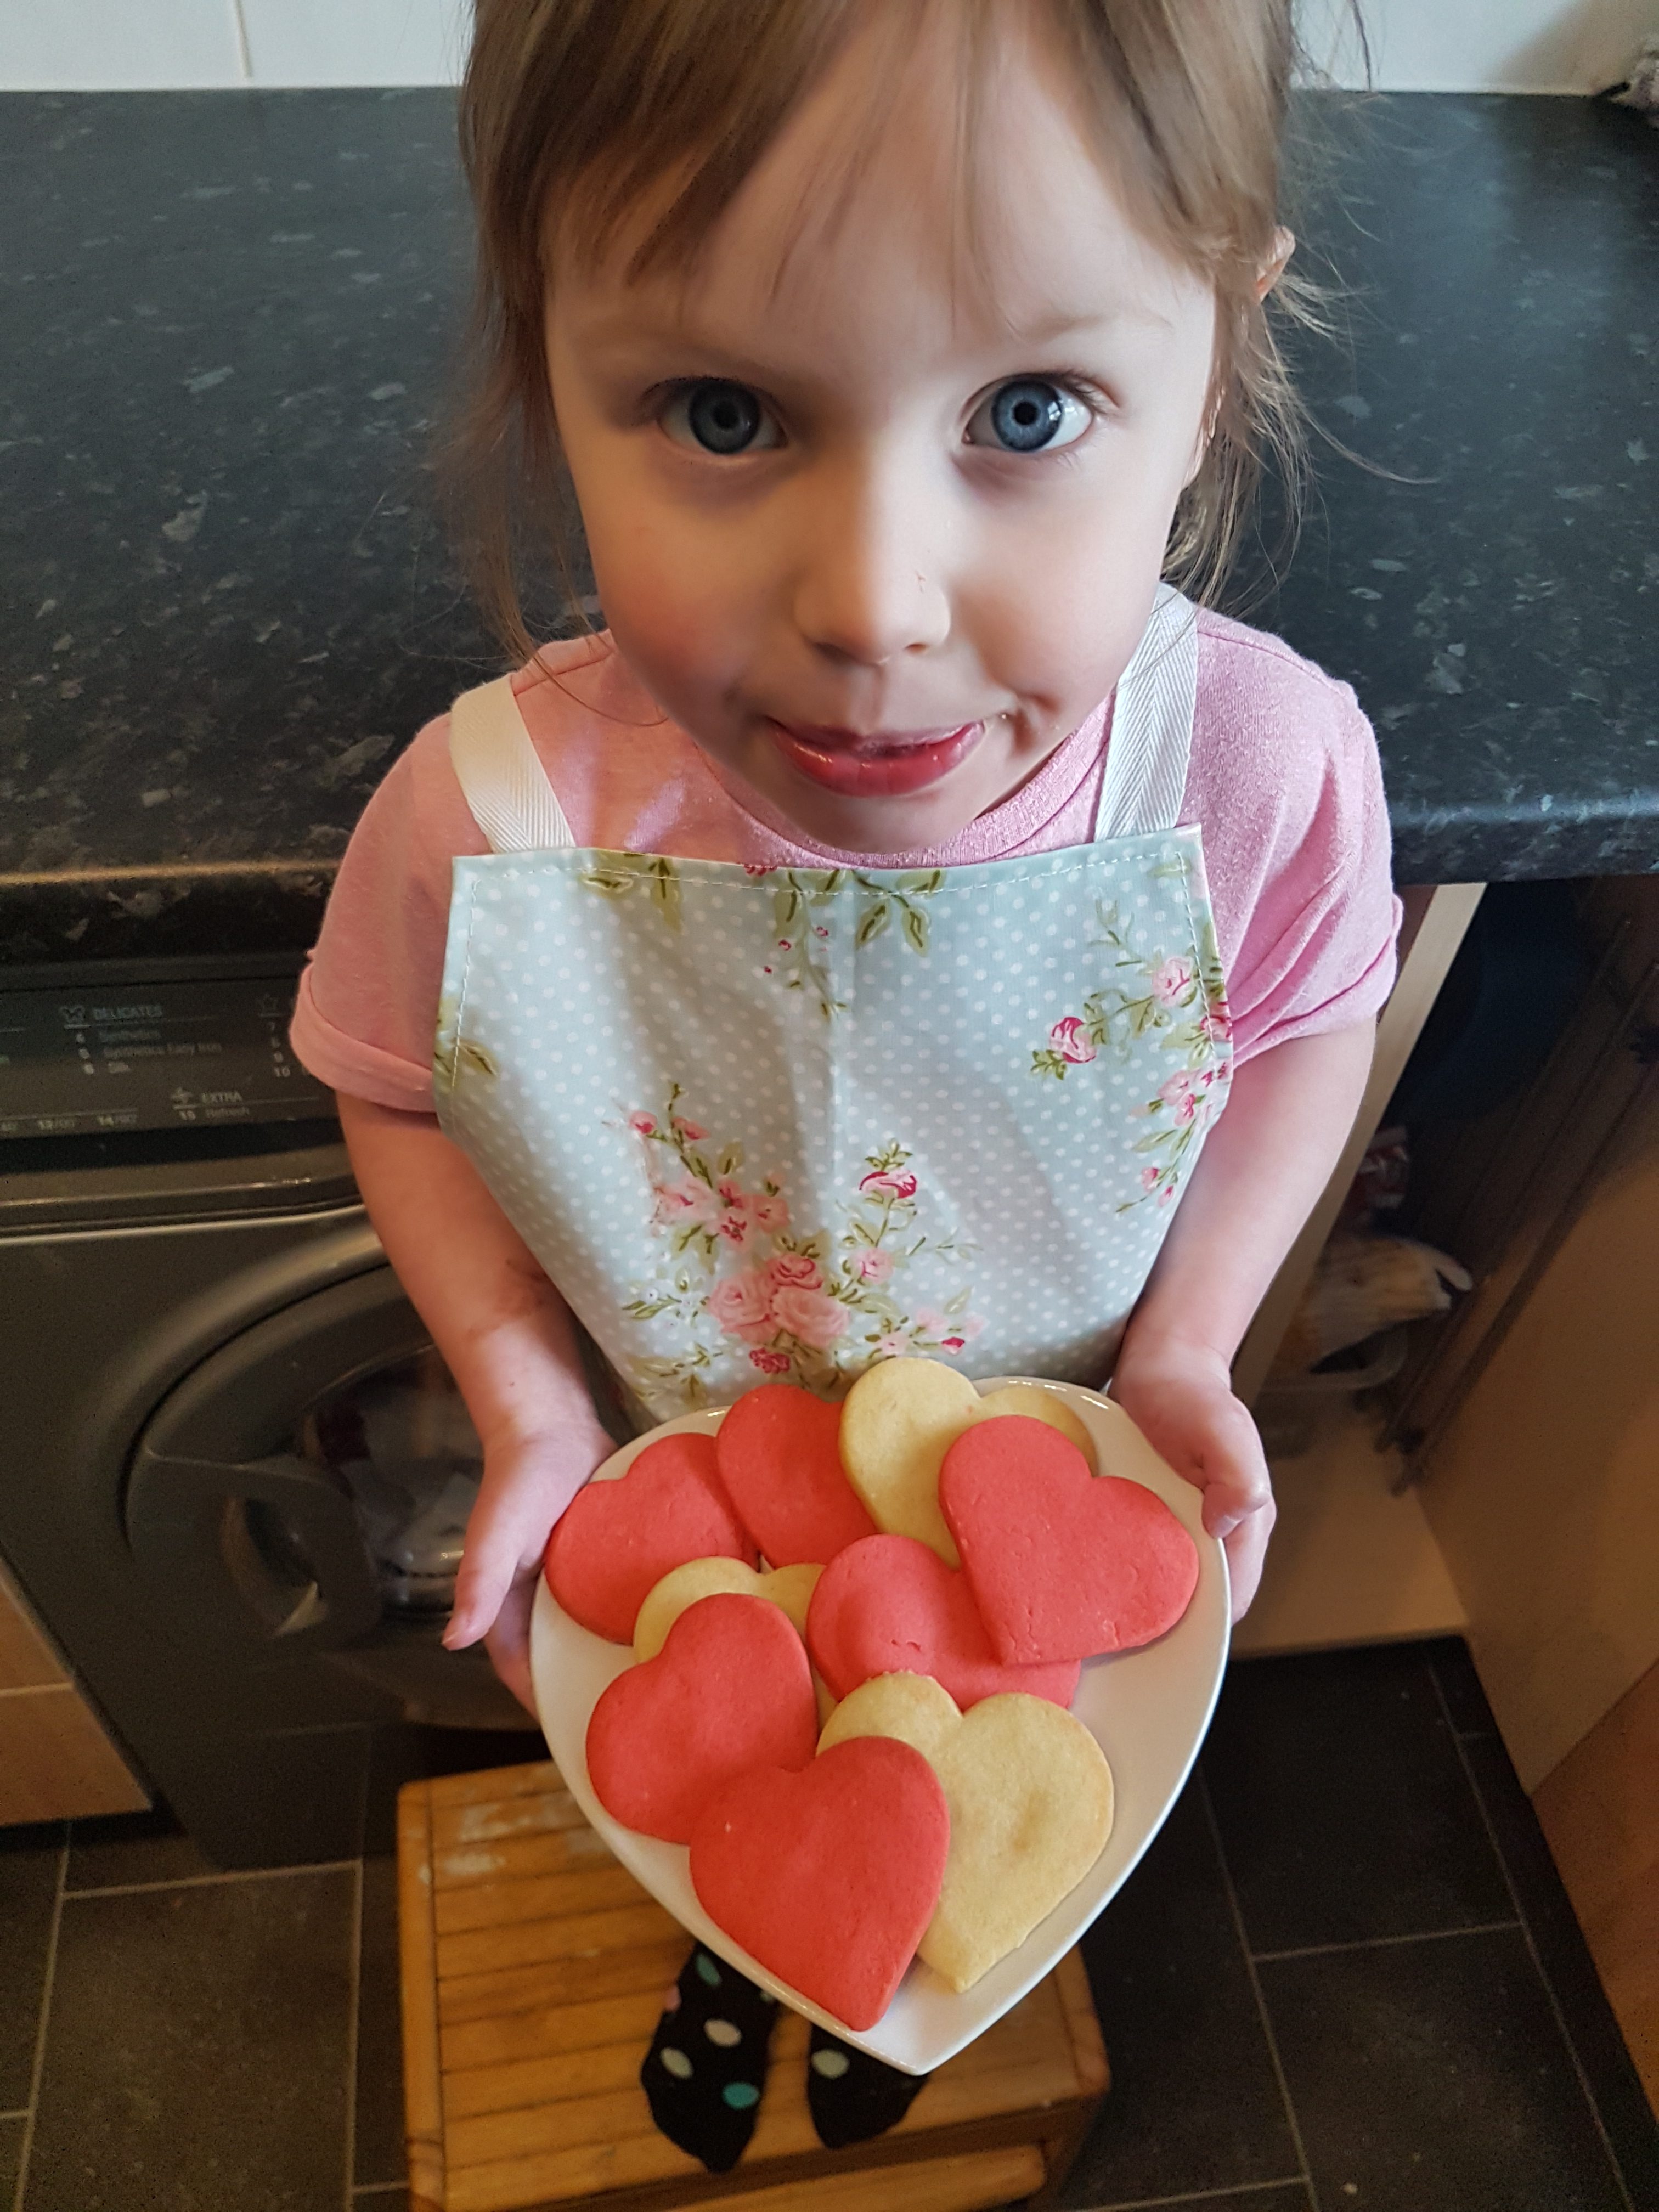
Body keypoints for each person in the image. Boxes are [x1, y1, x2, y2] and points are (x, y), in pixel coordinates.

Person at [290, 0, 1395, 2165]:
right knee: (753, 1767)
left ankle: (900, 1969)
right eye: (723, 409)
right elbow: (395, 1086)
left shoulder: (1250, 778)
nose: (874, 601)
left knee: (970, 1767)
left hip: (1052, 1478)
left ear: (1212, 357)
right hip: (707, 1476)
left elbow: (1304, 1025)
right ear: (548, 358)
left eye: (1029, 406)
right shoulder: (487, 815)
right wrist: (528, 1404)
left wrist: (1187, 1345)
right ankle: (759, 1951)